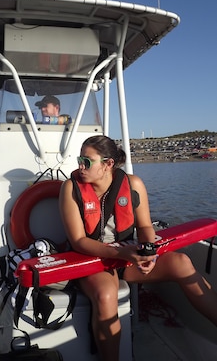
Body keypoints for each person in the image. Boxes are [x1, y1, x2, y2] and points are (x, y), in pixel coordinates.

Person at [59, 135, 217, 361]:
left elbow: (144, 226)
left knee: (181, 263)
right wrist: (121, 253)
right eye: (79, 159)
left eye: (87, 161)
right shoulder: (70, 188)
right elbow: (78, 241)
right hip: (92, 260)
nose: (80, 166)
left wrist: (148, 250)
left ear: (108, 164)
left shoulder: (134, 185)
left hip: (127, 256)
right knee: (106, 295)